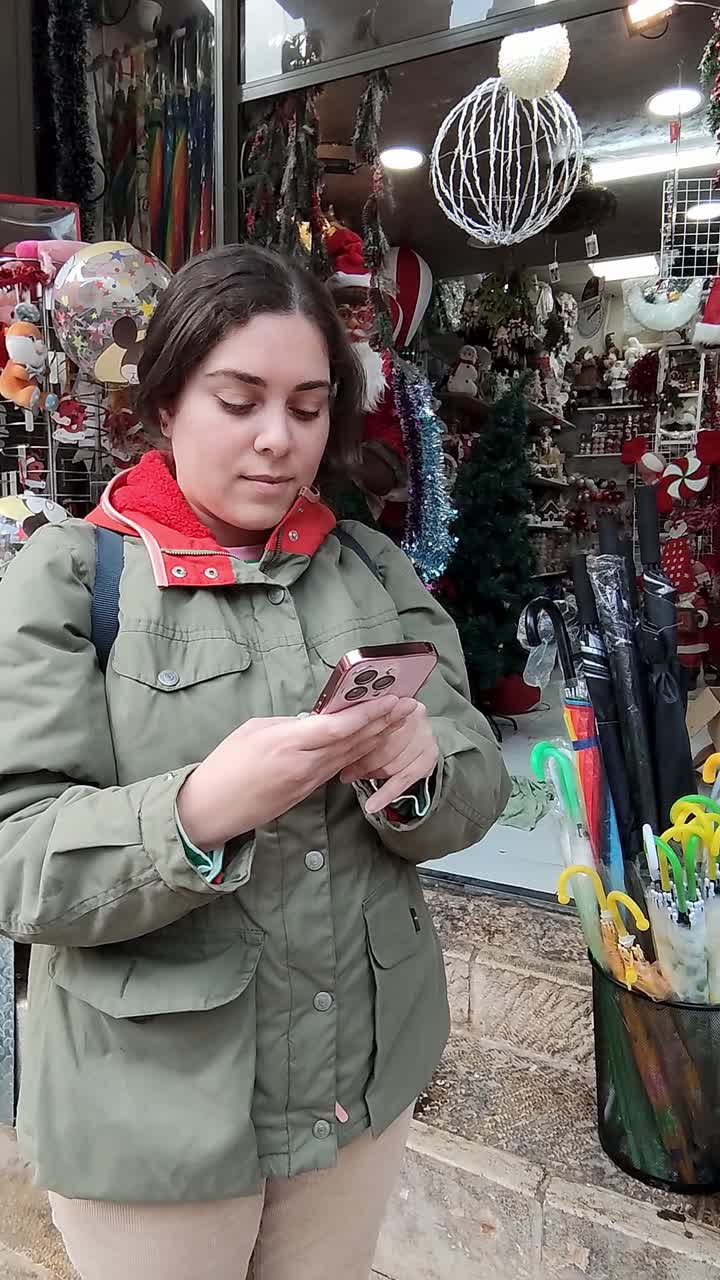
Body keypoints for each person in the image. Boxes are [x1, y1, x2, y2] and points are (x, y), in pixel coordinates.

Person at [0, 245, 509, 1280]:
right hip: (152, 1114)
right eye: (240, 400)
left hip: (356, 1085)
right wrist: (196, 810)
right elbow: (19, 857)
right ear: (168, 398)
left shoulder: (370, 566)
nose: (280, 440)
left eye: (310, 406)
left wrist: (416, 771)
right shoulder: (74, 578)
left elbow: (477, 779)